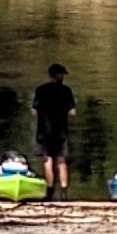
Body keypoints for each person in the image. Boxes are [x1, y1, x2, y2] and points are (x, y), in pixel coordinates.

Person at [32, 59, 76, 199]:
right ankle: (63, 191)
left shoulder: (40, 90)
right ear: (59, 75)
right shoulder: (66, 90)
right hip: (61, 131)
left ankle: (49, 190)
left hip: (44, 131)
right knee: (61, 160)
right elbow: (73, 112)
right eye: (62, 74)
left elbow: (34, 110)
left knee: (47, 160)